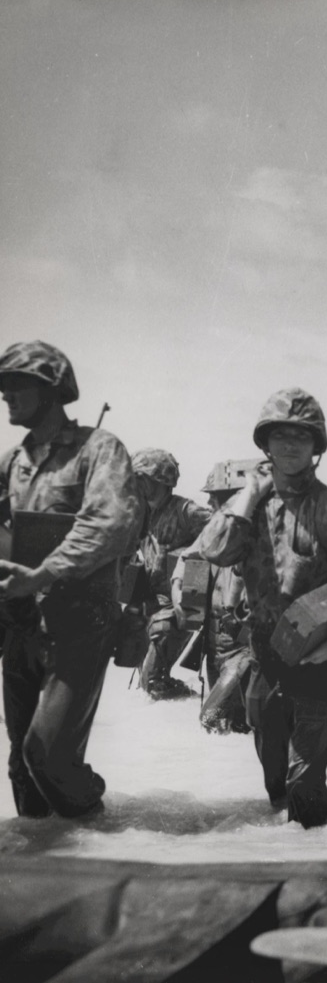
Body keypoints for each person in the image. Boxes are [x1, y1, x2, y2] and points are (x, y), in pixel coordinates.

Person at [192, 388, 327, 827]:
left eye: (301, 437)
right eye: (280, 436)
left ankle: (323, 875)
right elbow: (211, 551)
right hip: (265, 661)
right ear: (264, 444)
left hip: (318, 665)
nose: (290, 445)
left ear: (316, 448)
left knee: (304, 787)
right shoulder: (247, 506)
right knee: (274, 787)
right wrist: (248, 498)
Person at [0, 341, 142, 818]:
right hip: (20, 624)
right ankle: (44, 871)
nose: (5, 395)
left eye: (16, 385)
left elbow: (110, 523)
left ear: (51, 390)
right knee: (22, 769)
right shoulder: (10, 463)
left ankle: (100, 839)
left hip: (79, 623)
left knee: (48, 756)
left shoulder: (98, 450)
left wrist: (42, 573)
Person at [172, 459, 259, 732]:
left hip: (245, 646)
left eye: (216, 498)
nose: (209, 504)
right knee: (230, 725)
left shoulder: (266, 533)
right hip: (215, 643)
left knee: (210, 720)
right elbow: (189, 559)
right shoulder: (215, 531)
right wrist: (179, 591)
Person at [131, 448, 212, 700]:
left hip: (179, 605)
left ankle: (185, 712)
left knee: (152, 681)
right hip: (150, 604)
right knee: (146, 681)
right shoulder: (140, 513)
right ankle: (182, 707)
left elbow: (222, 536)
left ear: (162, 481)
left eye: (143, 478)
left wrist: (189, 562)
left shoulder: (186, 512)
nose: (137, 484)